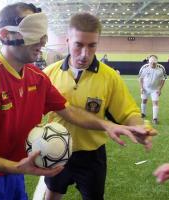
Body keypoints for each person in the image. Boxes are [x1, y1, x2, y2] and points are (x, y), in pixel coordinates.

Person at [0, 3, 156, 200]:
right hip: (15, 167)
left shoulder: (38, 78)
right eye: (33, 32)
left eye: (92, 45)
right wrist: (16, 167)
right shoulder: (28, 75)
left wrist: (110, 125)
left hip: (21, 174)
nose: (43, 41)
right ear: (5, 34)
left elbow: (68, 110)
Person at [39, 13, 157, 200]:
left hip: (92, 155)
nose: (85, 54)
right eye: (79, 44)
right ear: (68, 41)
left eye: (92, 45)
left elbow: (127, 112)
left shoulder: (110, 77)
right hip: (55, 148)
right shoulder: (48, 74)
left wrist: (138, 126)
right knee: (52, 193)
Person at [139, 55, 167, 124]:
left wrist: (160, 89)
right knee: (144, 100)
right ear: (148, 62)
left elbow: (163, 79)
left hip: (155, 89)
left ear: (156, 62)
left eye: (154, 63)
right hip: (145, 88)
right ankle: (143, 113)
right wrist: (141, 88)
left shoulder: (161, 68)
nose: (152, 64)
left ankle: (155, 118)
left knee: (155, 102)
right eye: (150, 63)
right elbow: (141, 78)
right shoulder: (144, 68)